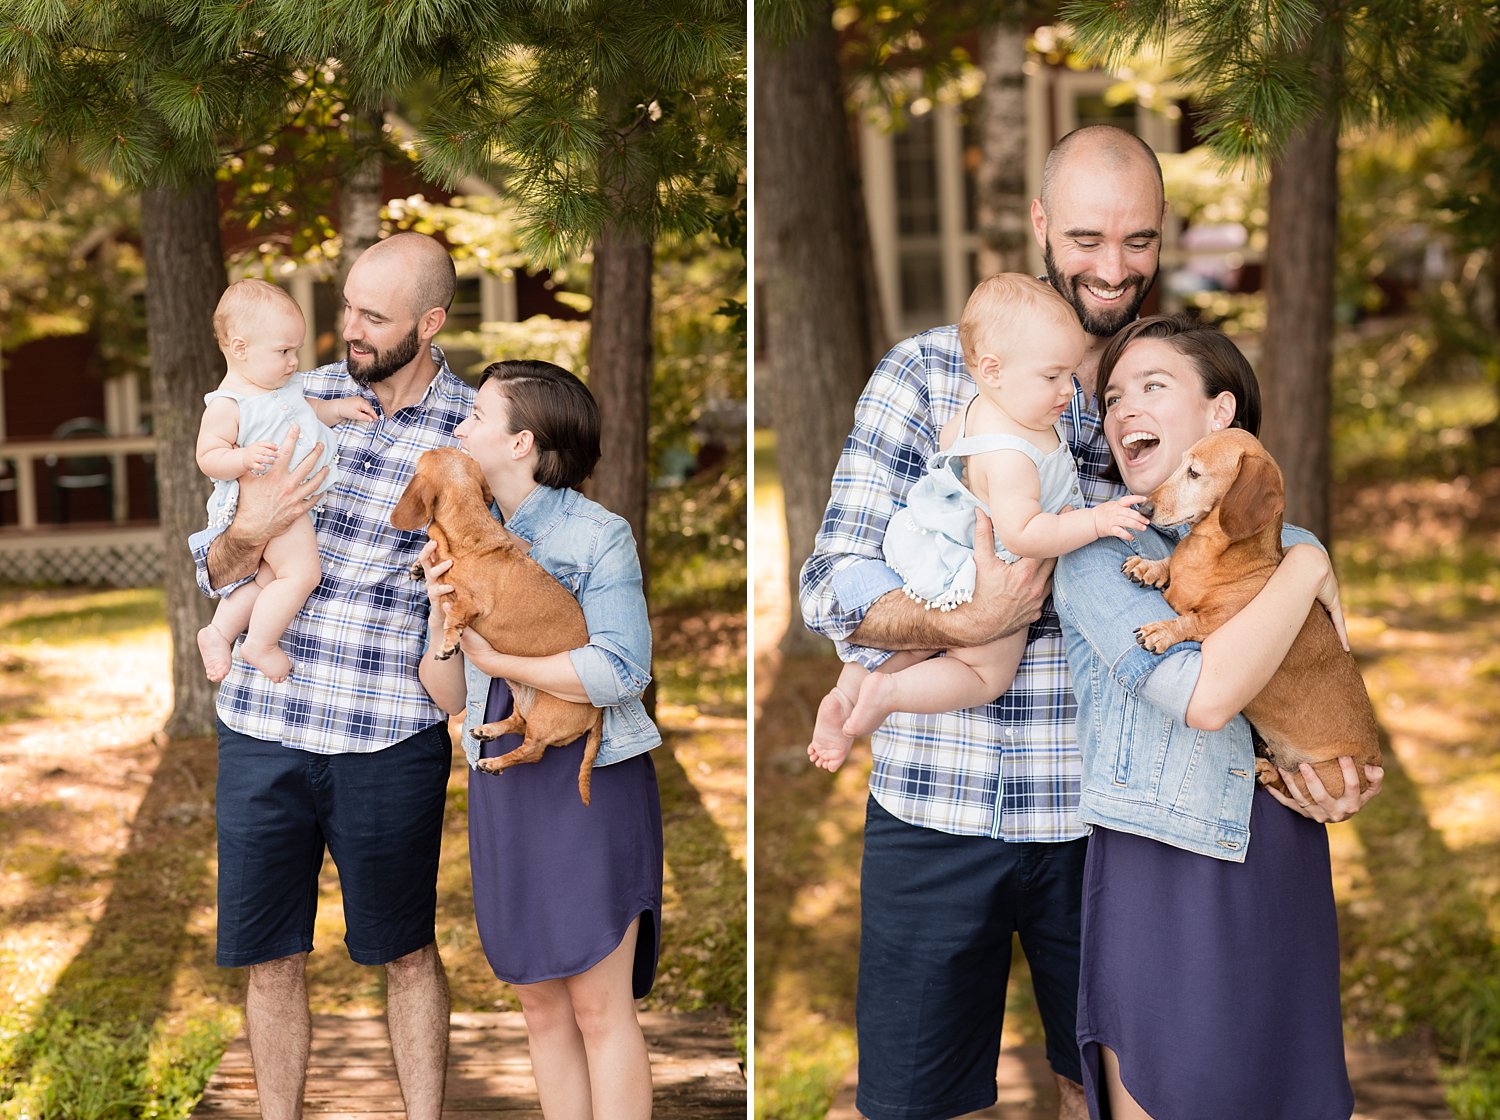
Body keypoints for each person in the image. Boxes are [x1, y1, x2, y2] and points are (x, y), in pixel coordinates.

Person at [801, 123, 1170, 1120]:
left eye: (1139, 240)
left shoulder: (1168, 382)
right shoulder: (926, 376)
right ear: (1043, 223)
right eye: (1090, 236)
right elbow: (831, 579)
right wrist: (963, 622)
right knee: (918, 1102)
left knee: (1105, 1090)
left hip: (1112, 815)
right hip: (936, 804)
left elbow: (1239, 570)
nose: (1113, 264)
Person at [1052, 315, 1383, 1120]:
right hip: (1160, 864)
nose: (1125, 407)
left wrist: (1345, 783)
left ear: (1219, 415)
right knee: (1171, 1090)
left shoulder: (1272, 539)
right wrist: (1307, 565)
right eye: (1115, 394)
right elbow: (1205, 697)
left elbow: (1321, 686)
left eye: (1154, 387)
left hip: (1277, 847)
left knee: (1277, 1091)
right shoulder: (1096, 557)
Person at [189, 232, 474, 1120]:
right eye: (346, 305)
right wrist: (254, 521)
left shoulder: (471, 431)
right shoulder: (289, 393)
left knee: (407, 950)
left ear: (429, 324)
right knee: (270, 955)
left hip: (386, 733)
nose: (347, 329)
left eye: (373, 316)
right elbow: (217, 561)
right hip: (264, 727)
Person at [416, 360, 664, 1119]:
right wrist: (440, 616)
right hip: (504, 785)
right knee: (541, 1012)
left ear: (521, 442)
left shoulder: (598, 535)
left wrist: (501, 658)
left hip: (591, 788)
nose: (460, 426)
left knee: (599, 1009)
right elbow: (447, 695)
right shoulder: (454, 536)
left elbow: (623, 670)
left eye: (478, 417)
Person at [806, 274, 1148, 773]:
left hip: (936, 546)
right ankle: (891, 692)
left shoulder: (982, 408)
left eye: (1071, 374)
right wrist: (1095, 522)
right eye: (1052, 376)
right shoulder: (1013, 456)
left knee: (917, 643)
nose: (1068, 391)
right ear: (992, 369)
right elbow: (1024, 533)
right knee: (985, 671)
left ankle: (849, 690)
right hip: (985, 571)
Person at [194, 279, 376, 683]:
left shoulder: (283, 386)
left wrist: (341, 408)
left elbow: (307, 412)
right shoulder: (229, 404)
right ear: (240, 348)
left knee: (269, 579)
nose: (295, 360)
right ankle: (260, 644)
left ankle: (219, 632)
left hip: (290, 501)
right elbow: (208, 457)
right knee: (302, 575)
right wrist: (241, 457)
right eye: (283, 351)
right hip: (272, 502)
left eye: (295, 349)